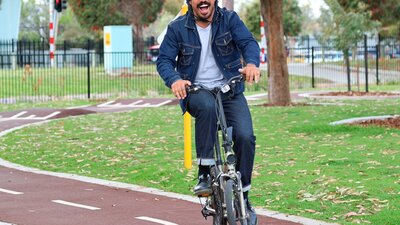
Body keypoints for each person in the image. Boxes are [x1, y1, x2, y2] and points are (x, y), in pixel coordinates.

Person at [156, 0, 260, 224]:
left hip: (230, 90)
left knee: (245, 137)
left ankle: (244, 197)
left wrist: (251, 63)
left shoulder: (230, 20)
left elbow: (248, 43)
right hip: (196, 90)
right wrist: (175, 79)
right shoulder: (177, 28)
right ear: (190, 2)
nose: (203, 0)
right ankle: (205, 170)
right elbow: (164, 60)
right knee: (206, 106)